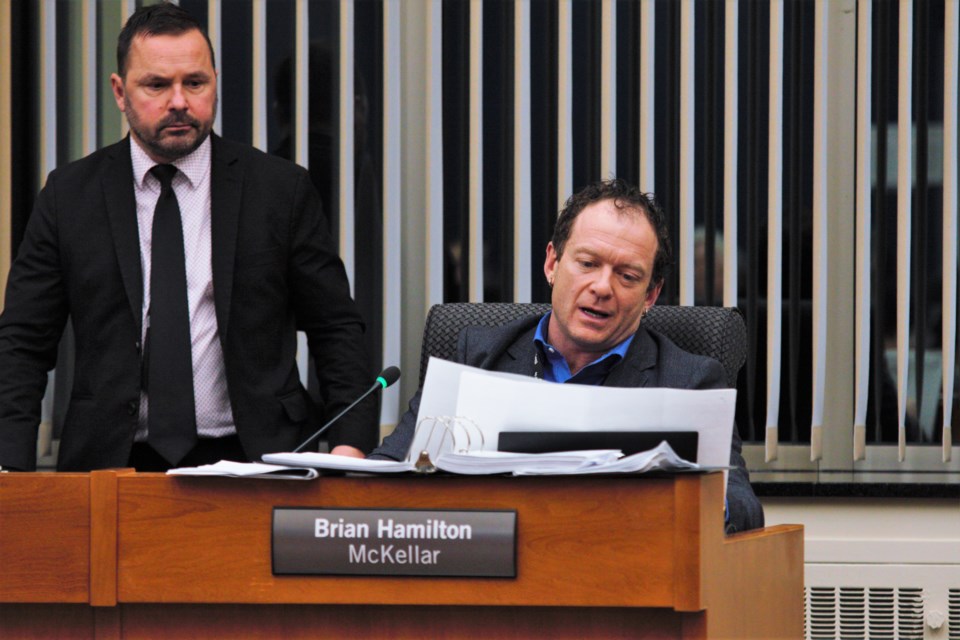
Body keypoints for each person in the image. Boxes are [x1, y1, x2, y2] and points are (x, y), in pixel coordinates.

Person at [0, 2, 376, 472]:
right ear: (120, 92)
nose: (178, 101)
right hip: (111, 463)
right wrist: (10, 467)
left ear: (214, 83)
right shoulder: (70, 195)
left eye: (194, 83)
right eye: (156, 85)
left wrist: (350, 444)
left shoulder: (279, 190)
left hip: (257, 459)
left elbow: (335, 327)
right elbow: (23, 340)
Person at [371, 178, 765, 533]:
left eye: (627, 276)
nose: (602, 287)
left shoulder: (689, 380)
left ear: (651, 295)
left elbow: (744, 511)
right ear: (552, 264)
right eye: (588, 263)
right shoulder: (476, 356)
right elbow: (391, 468)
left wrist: (693, 500)